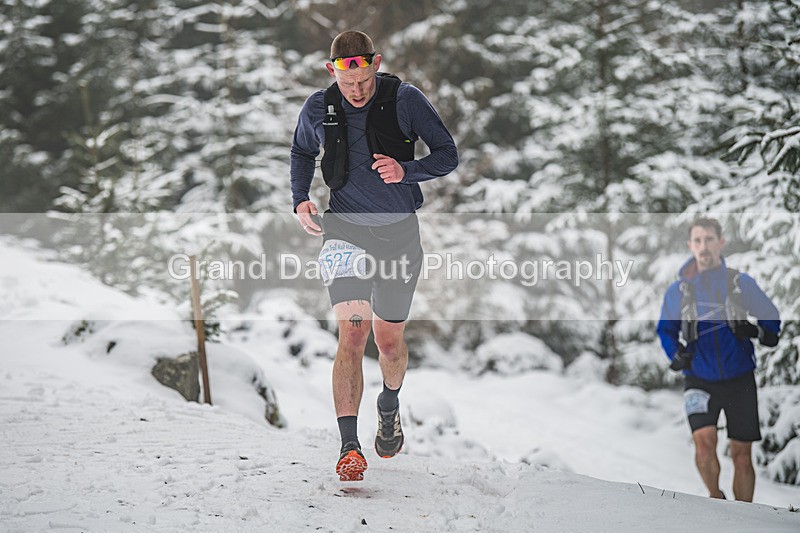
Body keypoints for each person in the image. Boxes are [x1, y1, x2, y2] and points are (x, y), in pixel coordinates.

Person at [290, 30, 458, 481]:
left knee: (388, 341)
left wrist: (408, 170)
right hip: (343, 231)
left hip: (400, 236)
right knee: (353, 332)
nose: (358, 90)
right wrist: (300, 198)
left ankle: (389, 402)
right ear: (333, 72)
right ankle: (349, 447)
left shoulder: (405, 99)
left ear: (376, 63)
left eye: (364, 80)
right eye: (348, 84)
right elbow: (303, 152)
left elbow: (447, 155)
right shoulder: (319, 107)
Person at [657, 217, 780, 502]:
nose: (704, 246)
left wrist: (755, 331)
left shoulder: (739, 284)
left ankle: (743, 515)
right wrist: (676, 353)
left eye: (709, 239)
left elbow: (771, 320)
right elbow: (665, 330)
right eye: (697, 241)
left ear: (721, 242)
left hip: (740, 379)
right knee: (703, 443)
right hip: (698, 377)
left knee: (741, 454)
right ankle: (716, 499)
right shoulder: (679, 291)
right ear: (690, 245)